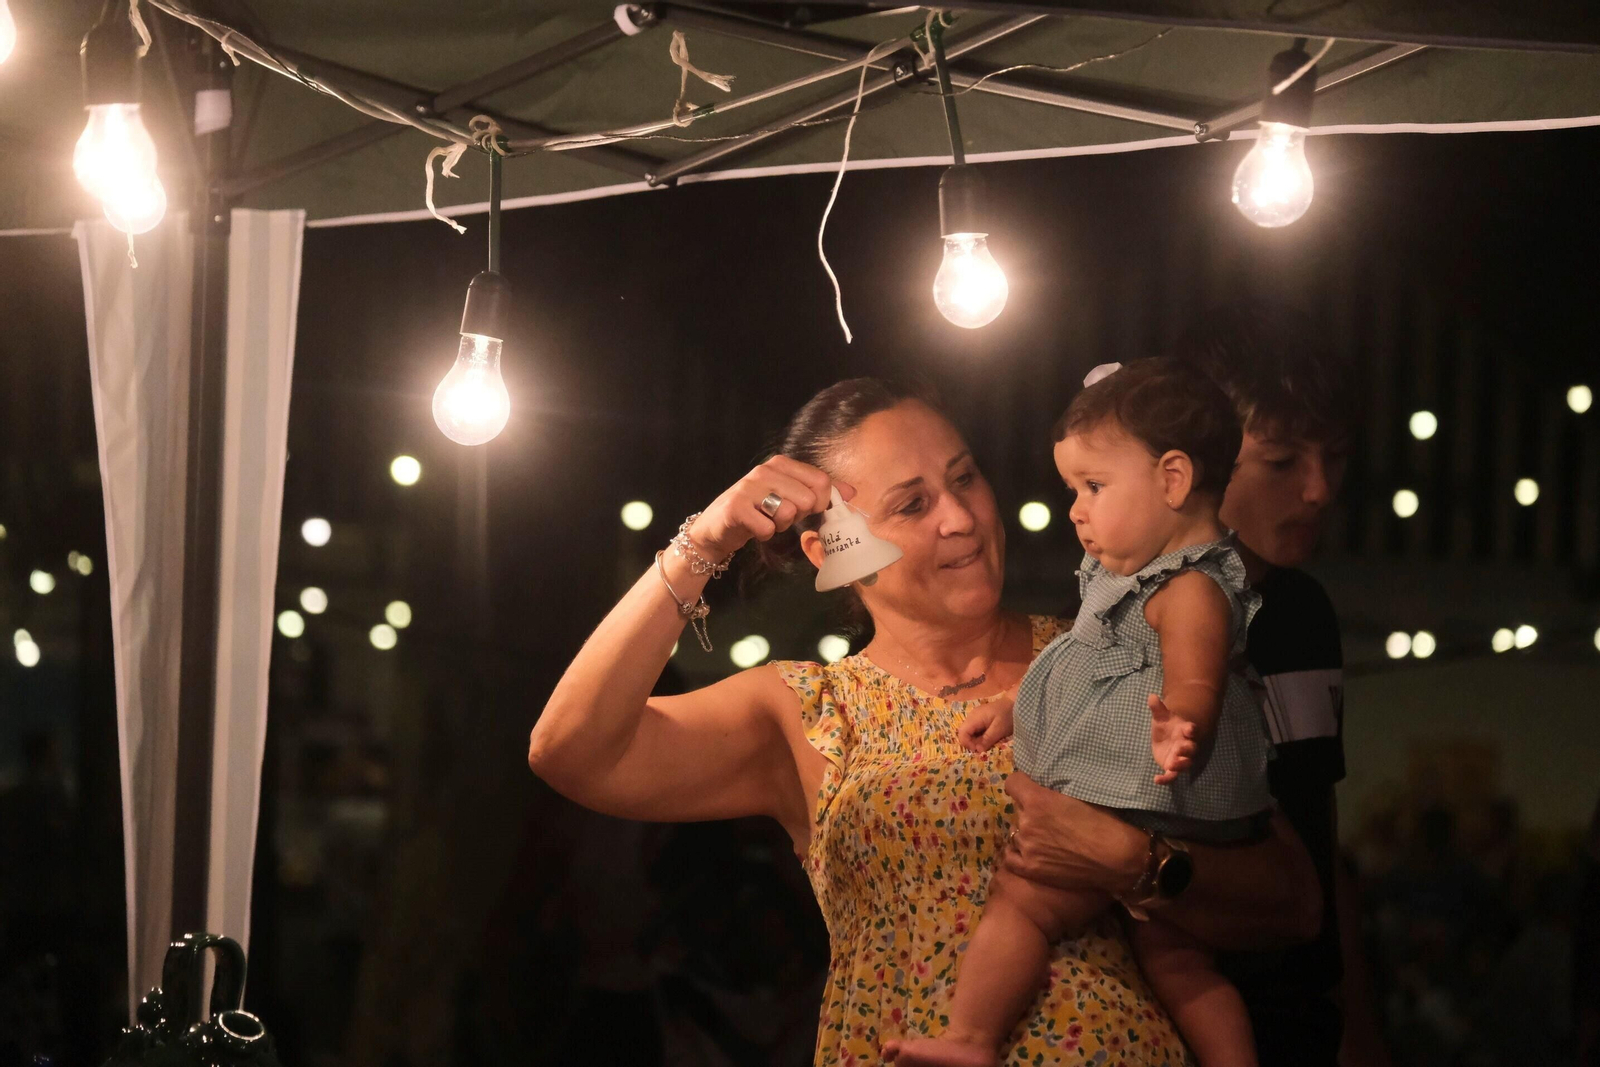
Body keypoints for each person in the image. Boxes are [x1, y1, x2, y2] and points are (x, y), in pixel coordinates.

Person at [529, 377, 1322, 1065]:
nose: (962, 517)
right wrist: (708, 538)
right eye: (914, 503)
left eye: (965, 478)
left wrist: (1139, 860)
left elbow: (1292, 899)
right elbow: (570, 749)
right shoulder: (807, 709)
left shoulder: (1104, 648)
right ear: (831, 547)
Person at [884, 359, 1274, 1067]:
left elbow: (1197, 679)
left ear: (1173, 479)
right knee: (1180, 960)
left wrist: (1182, 722)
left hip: (1136, 796)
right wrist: (1014, 705)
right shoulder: (1124, 577)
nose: (1076, 510)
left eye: (1093, 486)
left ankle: (970, 1035)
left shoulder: (1190, 587)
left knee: (1024, 899)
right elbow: (1078, 666)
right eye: (1074, 489)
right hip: (1151, 800)